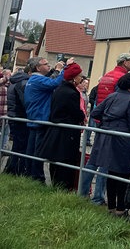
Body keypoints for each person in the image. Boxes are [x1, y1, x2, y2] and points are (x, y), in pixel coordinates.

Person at [81, 53, 130, 204]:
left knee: (94, 159)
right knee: (107, 163)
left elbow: (101, 100)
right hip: (114, 125)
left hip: (102, 122)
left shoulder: (107, 75)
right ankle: (98, 196)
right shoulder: (122, 78)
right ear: (125, 62)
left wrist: (101, 120)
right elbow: (119, 98)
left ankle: (83, 191)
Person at [88, 73, 130, 221]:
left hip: (106, 137)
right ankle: (120, 210)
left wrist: (107, 123)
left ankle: (111, 207)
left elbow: (95, 112)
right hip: (122, 139)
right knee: (123, 175)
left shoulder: (112, 96)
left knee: (111, 174)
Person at [36, 63, 86, 191]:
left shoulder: (59, 89)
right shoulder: (70, 92)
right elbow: (75, 112)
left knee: (56, 162)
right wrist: (82, 116)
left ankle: (55, 185)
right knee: (66, 162)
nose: (81, 78)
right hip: (66, 132)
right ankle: (63, 189)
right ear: (74, 77)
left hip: (57, 129)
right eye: (79, 76)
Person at [24, 56, 71, 182]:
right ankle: (37, 177)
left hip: (34, 117)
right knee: (38, 150)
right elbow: (54, 83)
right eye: (45, 64)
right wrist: (62, 69)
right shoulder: (38, 80)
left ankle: (29, 174)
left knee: (32, 149)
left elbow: (49, 80)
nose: (48, 65)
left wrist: (54, 71)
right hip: (41, 117)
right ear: (38, 68)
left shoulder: (33, 79)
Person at [5, 66, 30, 175]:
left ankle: (11, 169)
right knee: (20, 146)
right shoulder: (22, 83)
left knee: (16, 145)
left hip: (13, 115)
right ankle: (15, 170)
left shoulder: (14, 82)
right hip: (20, 117)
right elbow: (25, 101)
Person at [0, 68, 11, 149]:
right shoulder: (4, 87)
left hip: (5, 114)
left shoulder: (8, 87)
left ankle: (3, 149)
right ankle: (3, 149)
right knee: (5, 133)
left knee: (5, 133)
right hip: (3, 114)